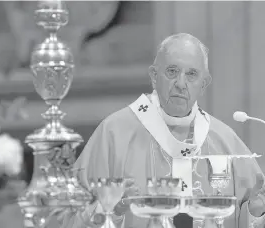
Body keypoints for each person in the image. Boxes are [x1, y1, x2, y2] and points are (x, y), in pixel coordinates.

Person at [54, 33, 265, 228]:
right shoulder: (114, 134)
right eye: (172, 71)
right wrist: (110, 210)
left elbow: (248, 214)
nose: (181, 83)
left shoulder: (225, 140)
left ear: (204, 83)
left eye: (192, 74)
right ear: (154, 76)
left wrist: (254, 213)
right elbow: (65, 217)